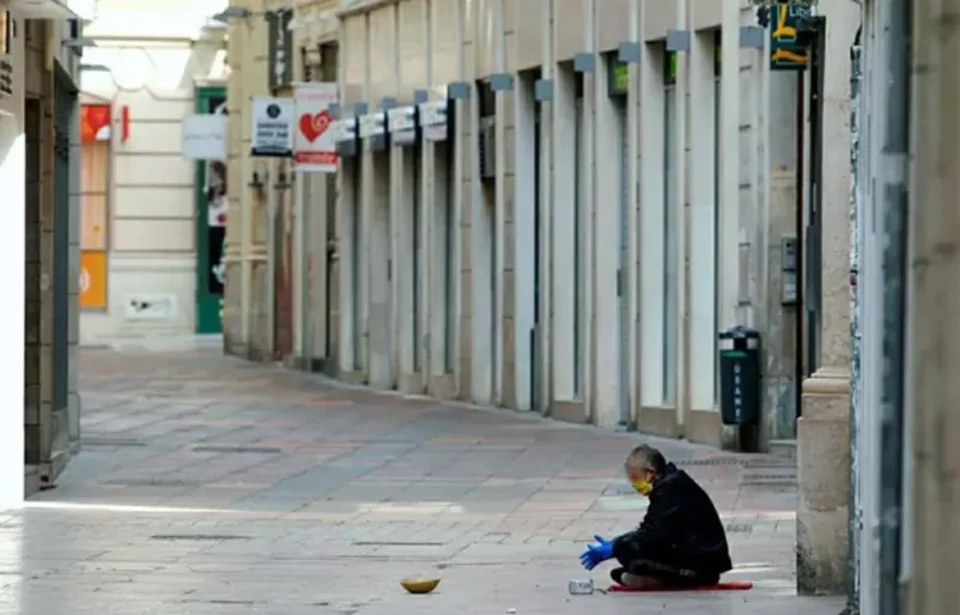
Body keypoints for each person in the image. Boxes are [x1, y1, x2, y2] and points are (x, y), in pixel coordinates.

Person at [579, 444, 733, 589]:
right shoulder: (669, 484)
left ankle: (661, 580)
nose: (634, 484)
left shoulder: (670, 489)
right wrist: (618, 544)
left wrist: (616, 547)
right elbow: (652, 529)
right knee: (629, 554)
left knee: (635, 561)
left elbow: (652, 534)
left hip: (702, 565)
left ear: (650, 473)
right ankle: (651, 577)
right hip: (692, 554)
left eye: (635, 479)